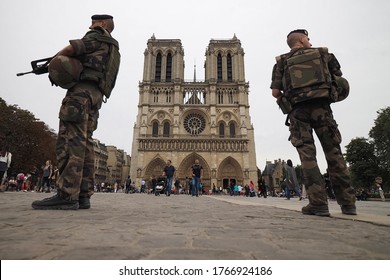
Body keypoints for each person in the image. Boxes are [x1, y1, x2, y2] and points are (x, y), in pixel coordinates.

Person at [32, 14, 120, 210]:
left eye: (94, 22)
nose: (91, 25)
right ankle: (83, 195)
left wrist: (52, 62)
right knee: (86, 143)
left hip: (80, 94)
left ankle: (66, 194)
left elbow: (73, 48)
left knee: (71, 141)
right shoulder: (113, 47)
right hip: (95, 96)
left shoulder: (96, 36)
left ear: (103, 24)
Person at [270, 29, 356, 216]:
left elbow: (275, 93)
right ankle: (348, 204)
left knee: (308, 158)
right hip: (322, 110)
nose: (310, 41)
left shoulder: (281, 63)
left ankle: (318, 204)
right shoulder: (323, 54)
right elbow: (339, 78)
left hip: (298, 113)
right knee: (334, 153)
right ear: (301, 40)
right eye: (308, 38)